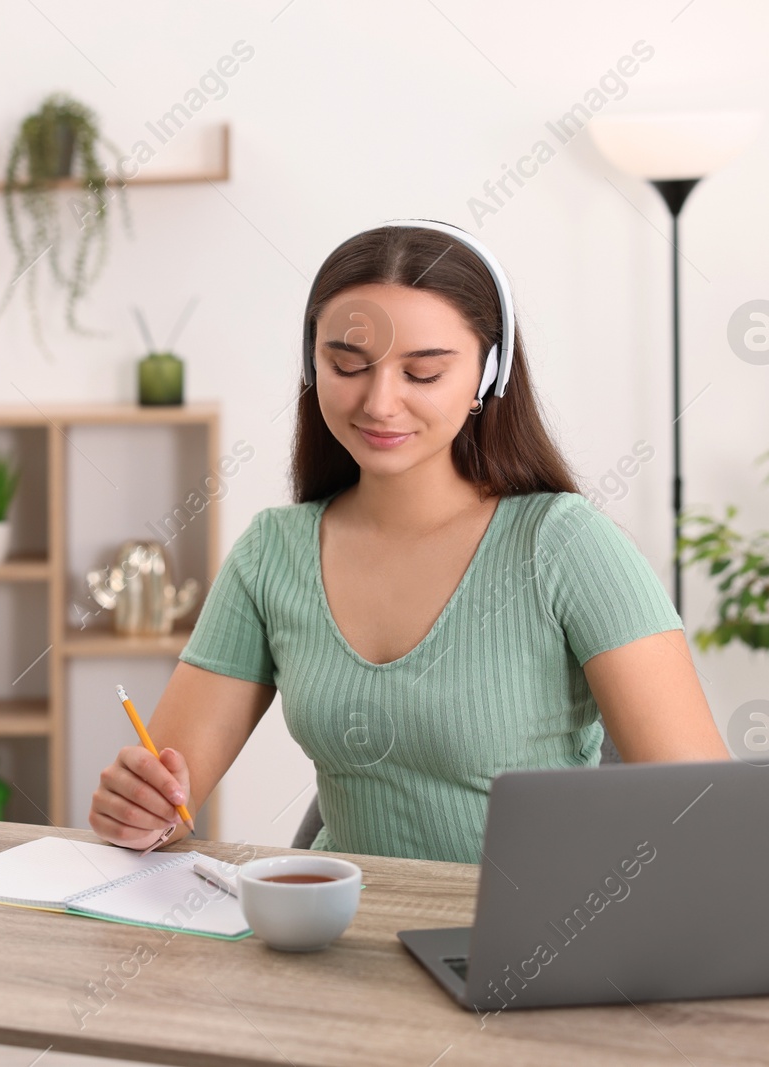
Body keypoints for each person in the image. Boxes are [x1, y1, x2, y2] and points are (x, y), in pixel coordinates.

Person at [88, 221, 729, 863]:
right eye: (347, 366)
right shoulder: (272, 553)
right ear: (313, 365)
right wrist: (140, 809)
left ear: (489, 375)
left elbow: (708, 814)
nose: (380, 403)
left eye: (422, 374)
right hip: (347, 938)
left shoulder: (564, 544)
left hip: (536, 944)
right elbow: (166, 803)